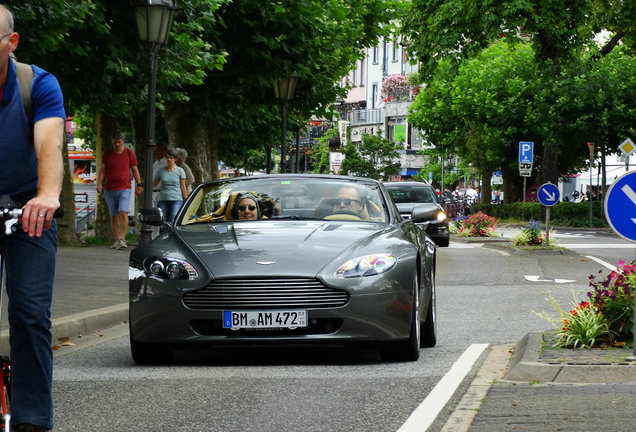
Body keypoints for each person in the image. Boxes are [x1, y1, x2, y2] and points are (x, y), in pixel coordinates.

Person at [0, 5, 65, 431]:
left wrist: (46, 195)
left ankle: (32, 419)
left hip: (28, 205)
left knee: (28, 311)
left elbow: (49, 144)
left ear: (11, 42)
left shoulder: (37, 84)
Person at [96, 131, 143, 250]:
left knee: (123, 212)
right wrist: (99, 184)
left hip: (125, 188)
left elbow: (135, 169)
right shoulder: (107, 153)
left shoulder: (129, 153)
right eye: (115, 142)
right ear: (112, 142)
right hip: (110, 189)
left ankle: (122, 239)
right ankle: (117, 240)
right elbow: (102, 169)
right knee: (113, 215)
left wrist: (139, 184)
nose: (117, 144)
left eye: (120, 142)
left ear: (123, 142)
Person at [152, 147, 187, 222]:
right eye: (167, 158)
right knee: (163, 223)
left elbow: (183, 187)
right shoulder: (161, 171)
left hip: (176, 200)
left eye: (171, 158)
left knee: (172, 221)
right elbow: (153, 184)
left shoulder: (180, 171)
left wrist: (186, 200)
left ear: (175, 159)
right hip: (163, 199)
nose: (169, 159)